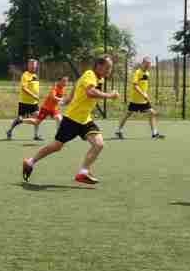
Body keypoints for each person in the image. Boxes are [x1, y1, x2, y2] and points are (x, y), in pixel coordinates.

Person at [22, 57, 120, 185]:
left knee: (99, 144)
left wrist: (68, 99)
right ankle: (30, 162)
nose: (109, 70)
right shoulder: (90, 74)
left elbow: (77, 84)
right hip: (72, 119)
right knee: (56, 146)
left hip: (85, 120)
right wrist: (110, 95)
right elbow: (90, 92)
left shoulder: (98, 78)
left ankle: (83, 172)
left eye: (110, 68)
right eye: (107, 67)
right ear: (99, 66)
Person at [115, 57, 164, 139]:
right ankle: (118, 131)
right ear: (142, 63)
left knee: (151, 113)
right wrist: (143, 94)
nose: (148, 66)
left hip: (143, 100)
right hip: (135, 100)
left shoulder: (147, 73)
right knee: (128, 114)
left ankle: (154, 133)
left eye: (149, 64)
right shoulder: (138, 72)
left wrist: (146, 94)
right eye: (146, 64)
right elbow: (135, 86)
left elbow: (144, 85)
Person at [5, 59, 40, 140]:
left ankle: (36, 135)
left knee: (37, 118)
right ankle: (10, 131)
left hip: (34, 102)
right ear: (28, 65)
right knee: (19, 119)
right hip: (24, 102)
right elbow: (24, 88)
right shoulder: (25, 75)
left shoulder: (35, 76)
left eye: (35, 65)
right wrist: (33, 95)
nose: (34, 66)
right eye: (32, 65)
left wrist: (36, 96)